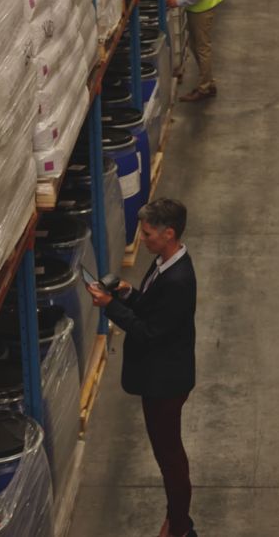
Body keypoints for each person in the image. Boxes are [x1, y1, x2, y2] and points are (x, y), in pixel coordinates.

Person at [86, 198, 198, 537]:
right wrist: (126, 292)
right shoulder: (164, 262)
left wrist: (109, 307)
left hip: (166, 381)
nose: (142, 238)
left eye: (148, 234)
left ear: (169, 233)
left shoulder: (178, 279)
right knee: (167, 452)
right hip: (160, 374)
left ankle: (179, 526)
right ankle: (176, 519)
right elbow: (152, 308)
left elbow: (150, 333)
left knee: (170, 457)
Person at [166, 0, 224, 102]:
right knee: (195, 45)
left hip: (202, 7)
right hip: (200, 6)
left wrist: (178, 2)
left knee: (202, 48)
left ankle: (204, 88)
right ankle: (208, 82)